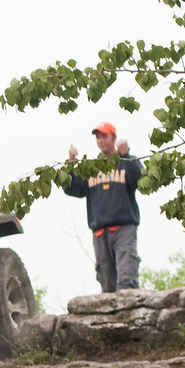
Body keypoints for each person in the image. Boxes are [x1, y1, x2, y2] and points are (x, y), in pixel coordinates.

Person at [64, 121, 143, 293]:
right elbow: (72, 188)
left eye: (104, 136)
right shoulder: (91, 169)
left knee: (126, 281)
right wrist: (71, 163)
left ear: (114, 138)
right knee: (107, 285)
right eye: (98, 137)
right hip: (100, 233)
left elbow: (140, 179)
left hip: (124, 229)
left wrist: (127, 155)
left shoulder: (125, 161)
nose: (101, 141)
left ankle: (129, 317)